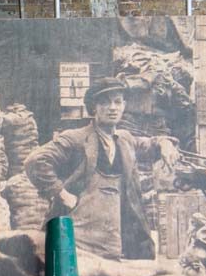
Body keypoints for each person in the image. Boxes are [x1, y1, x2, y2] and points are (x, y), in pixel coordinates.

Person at [25, 77, 179, 260]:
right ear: (94, 108)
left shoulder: (125, 139)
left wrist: (164, 143)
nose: (112, 108)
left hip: (116, 242)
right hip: (79, 239)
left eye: (117, 102)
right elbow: (35, 161)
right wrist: (61, 193)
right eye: (105, 102)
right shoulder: (76, 139)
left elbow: (149, 145)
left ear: (124, 105)